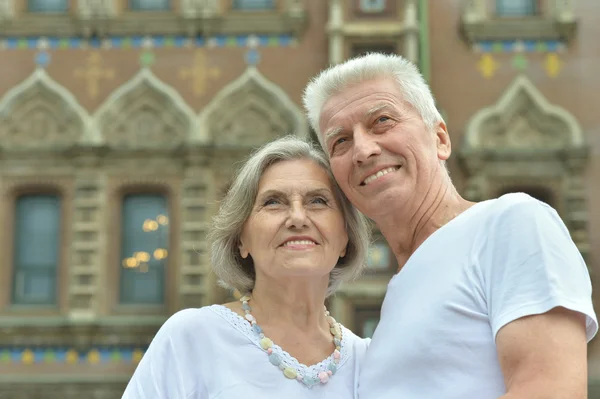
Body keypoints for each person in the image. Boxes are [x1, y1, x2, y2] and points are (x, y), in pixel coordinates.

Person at [302, 52, 598, 399]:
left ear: (440, 138)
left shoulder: (511, 222)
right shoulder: (397, 298)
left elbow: (550, 391)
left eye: (382, 121)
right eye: (341, 141)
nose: (363, 150)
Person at [121, 135, 372, 398]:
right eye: (273, 201)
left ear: (345, 238)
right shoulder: (193, 338)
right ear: (241, 239)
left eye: (317, 201)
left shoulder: (366, 362)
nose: (298, 218)